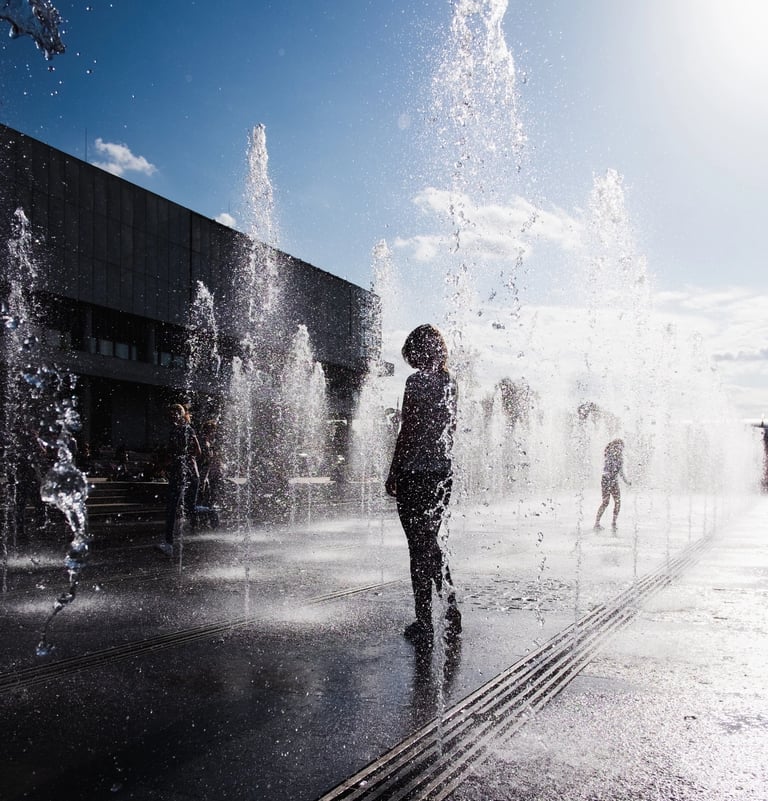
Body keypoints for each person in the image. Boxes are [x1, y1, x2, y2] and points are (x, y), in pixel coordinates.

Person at [385, 324, 462, 644]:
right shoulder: (451, 382)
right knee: (432, 544)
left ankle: (425, 620)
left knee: (419, 548)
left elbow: (408, 430)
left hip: (415, 474)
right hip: (441, 474)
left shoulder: (416, 382)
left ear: (418, 350)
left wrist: (394, 471)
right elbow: (451, 429)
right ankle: (451, 608)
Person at [156, 404, 201, 556]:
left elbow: (198, 450)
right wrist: (166, 464)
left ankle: (212, 512)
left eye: (175, 413)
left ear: (181, 414)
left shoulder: (188, 429)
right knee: (171, 508)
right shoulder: (173, 431)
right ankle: (169, 544)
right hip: (176, 473)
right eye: (170, 413)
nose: (172, 416)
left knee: (190, 508)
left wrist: (186, 459)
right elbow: (171, 454)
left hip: (188, 474)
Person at [594, 438, 631, 531]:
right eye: (619, 447)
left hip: (613, 481)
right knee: (606, 502)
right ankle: (597, 523)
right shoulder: (609, 455)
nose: (621, 449)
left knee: (617, 502)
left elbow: (621, 472)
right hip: (606, 480)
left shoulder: (620, 458)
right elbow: (608, 469)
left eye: (621, 447)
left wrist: (626, 481)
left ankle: (614, 522)